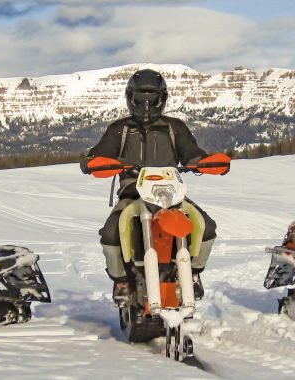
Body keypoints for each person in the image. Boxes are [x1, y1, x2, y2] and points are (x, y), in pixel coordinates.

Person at [80, 68, 219, 304]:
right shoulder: (119, 130)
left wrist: (203, 162)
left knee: (205, 226)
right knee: (112, 232)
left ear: (162, 99)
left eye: (152, 99)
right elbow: (99, 154)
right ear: (130, 98)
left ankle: (192, 272)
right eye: (140, 99)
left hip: (171, 195)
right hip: (133, 194)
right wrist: (94, 162)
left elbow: (192, 153)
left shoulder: (175, 128)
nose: (146, 105)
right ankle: (122, 280)